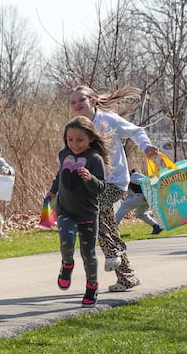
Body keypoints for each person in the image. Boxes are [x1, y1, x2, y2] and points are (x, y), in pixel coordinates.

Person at [68, 85, 160, 292]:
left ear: (92, 100)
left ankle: (112, 252)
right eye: (72, 102)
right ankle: (127, 277)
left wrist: (146, 147)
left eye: (80, 100)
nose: (76, 105)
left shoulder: (107, 120)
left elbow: (136, 131)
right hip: (92, 183)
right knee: (107, 225)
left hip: (115, 181)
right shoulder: (75, 126)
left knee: (93, 212)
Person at [47, 116, 110, 307]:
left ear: (90, 138)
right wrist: (52, 191)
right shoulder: (63, 154)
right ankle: (67, 264)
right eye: (70, 139)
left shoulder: (94, 159)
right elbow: (61, 175)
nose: (74, 144)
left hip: (87, 213)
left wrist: (89, 178)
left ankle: (92, 286)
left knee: (87, 253)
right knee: (66, 243)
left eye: (80, 140)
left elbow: (100, 187)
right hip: (65, 209)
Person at [114, 168, 163, 235]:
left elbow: (148, 182)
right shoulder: (127, 177)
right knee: (140, 214)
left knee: (123, 208)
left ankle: (113, 229)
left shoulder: (133, 176)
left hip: (142, 196)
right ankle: (156, 226)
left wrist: (146, 195)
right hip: (142, 197)